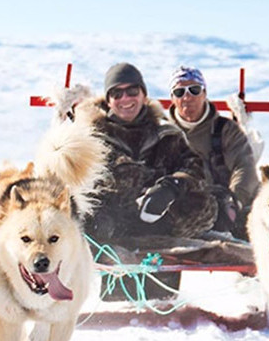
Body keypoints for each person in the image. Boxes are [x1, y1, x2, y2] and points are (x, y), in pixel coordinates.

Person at [82, 62, 217, 245]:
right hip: (111, 228)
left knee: (203, 204)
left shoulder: (166, 134)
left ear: (144, 95)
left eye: (132, 92)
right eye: (117, 94)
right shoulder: (91, 138)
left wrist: (171, 187)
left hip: (161, 224)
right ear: (108, 100)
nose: (125, 99)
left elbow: (196, 169)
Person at [164, 66, 258, 237]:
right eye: (179, 92)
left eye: (194, 90)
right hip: (177, 208)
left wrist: (235, 200)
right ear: (172, 98)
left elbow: (244, 166)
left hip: (223, 207)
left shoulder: (226, 130)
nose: (187, 97)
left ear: (204, 93)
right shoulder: (162, 132)